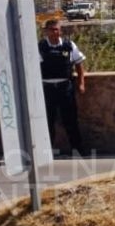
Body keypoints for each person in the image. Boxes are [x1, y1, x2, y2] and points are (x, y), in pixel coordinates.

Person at [38, 19, 88, 156]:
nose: (54, 32)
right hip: (47, 88)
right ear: (46, 31)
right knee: (48, 121)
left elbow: (79, 64)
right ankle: (47, 152)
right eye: (51, 30)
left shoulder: (69, 45)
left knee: (70, 119)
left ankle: (77, 150)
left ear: (60, 31)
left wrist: (81, 83)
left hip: (65, 87)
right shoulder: (40, 47)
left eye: (56, 29)